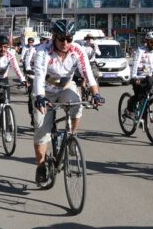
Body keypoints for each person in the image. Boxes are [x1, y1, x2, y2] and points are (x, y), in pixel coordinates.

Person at [31, 20, 105, 185]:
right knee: (41, 130)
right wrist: (40, 97)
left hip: (65, 87)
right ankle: (41, 165)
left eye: (69, 39)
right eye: (61, 39)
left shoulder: (77, 50)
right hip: (45, 91)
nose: (65, 43)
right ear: (54, 37)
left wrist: (96, 94)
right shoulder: (43, 50)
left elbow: (87, 73)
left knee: (77, 104)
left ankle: (72, 135)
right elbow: (39, 74)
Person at [0, 35, 27, 120]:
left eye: (5, 47)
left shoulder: (10, 55)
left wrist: (23, 80)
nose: (2, 49)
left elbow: (16, 68)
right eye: (0, 46)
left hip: (3, 79)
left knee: (6, 102)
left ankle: (7, 127)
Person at [125, 31, 153, 116]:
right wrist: (134, 76)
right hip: (138, 76)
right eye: (151, 41)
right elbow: (135, 63)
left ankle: (143, 116)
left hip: (149, 77)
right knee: (139, 96)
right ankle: (129, 108)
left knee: (149, 95)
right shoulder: (140, 50)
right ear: (147, 41)